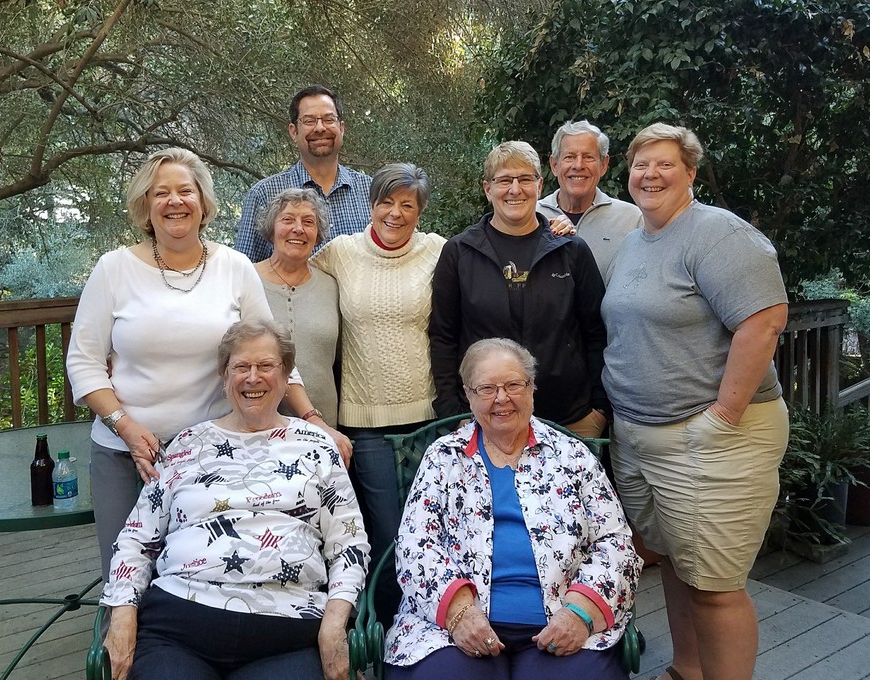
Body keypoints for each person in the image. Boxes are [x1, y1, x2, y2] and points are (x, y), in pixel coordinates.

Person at [66, 148, 345, 582]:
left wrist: (311, 417)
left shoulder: (232, 267)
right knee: (124, 581)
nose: (174, 201)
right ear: (145, 205)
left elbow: (275, 357)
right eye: (162, 193)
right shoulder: (113, 269)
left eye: (185, 191)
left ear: (203, 203)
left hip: (214, 456)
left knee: (205, 576)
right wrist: (127, 427)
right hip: (126, 455)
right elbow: (83, 363)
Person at [601, 123, 789, 680]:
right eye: (640, 164)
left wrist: (723, 416)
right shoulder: (639, 238)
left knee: (715, 585)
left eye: (664, 164)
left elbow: (764, 320)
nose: (650, 174)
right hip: (641, 436)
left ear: (689, 172)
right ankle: (687, 670)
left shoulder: (718, 234)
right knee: (682, 570)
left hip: (711, 438)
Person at [101, 321, 370, 680]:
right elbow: (136, 539)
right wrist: (122, 614)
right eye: (241, 367)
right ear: (224, 376)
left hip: (287, 630)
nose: (252, 377)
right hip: (179, 626)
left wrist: (336, 624)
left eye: (266, 366)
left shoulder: (318, 446)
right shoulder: (186, 445)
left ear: (287, 374)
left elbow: (349, 544)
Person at [385, 338, 641, 679]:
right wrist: (460, 615)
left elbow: (616, 543)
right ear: (468, 394)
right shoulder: (443, 457)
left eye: (513, 385)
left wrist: (579, 613)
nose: (501, 398)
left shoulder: (571, 455)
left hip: (560, 620)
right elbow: (416, 545)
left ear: (532, 388)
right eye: (487, 388)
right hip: (450, 628)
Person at [311, 162, 446, 624]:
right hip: (364, 419)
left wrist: (555, 223)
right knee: (388, 534)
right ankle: (390, 633)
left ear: (420, 211)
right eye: (386, 201)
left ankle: (437, 628)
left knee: (434, 530)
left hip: (430, 417)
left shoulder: (440, 252)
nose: (395, 212)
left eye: (407, 204)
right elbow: (284, 273)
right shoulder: (340, 253)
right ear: (371, 204)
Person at [429, 141, 609, 437]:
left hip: (570, 419)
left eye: (525, 179)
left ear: (539, 185)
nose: (515, 189)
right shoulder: (460, 252)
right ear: (488, 189)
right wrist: (453, 414)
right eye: (504, 180)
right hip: (485, 419)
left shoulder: (571, 249)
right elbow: (443, 337)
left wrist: (599, 411)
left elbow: (596, 333)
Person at [235, 85, 372, 262]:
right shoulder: (264, 194)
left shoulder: (371, 191)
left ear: (342, 128)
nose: (320, 128)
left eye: (329, 119)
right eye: (309, 121)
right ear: (293, 131)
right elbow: (243, 273)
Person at [254, 188, 341, 433]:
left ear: (318, 234)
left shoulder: (331, 285)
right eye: (288, 219)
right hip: (258, 428)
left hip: (324, 429)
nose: (298, 229)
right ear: (272, 229)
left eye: (308, 222)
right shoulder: (245, 279)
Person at [536, 120, 643, 280]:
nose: (578, 165)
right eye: (569, 157)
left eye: (588, 157)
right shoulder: (534, 216)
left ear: (604, 164)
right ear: (554, 165)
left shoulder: (632, 220)